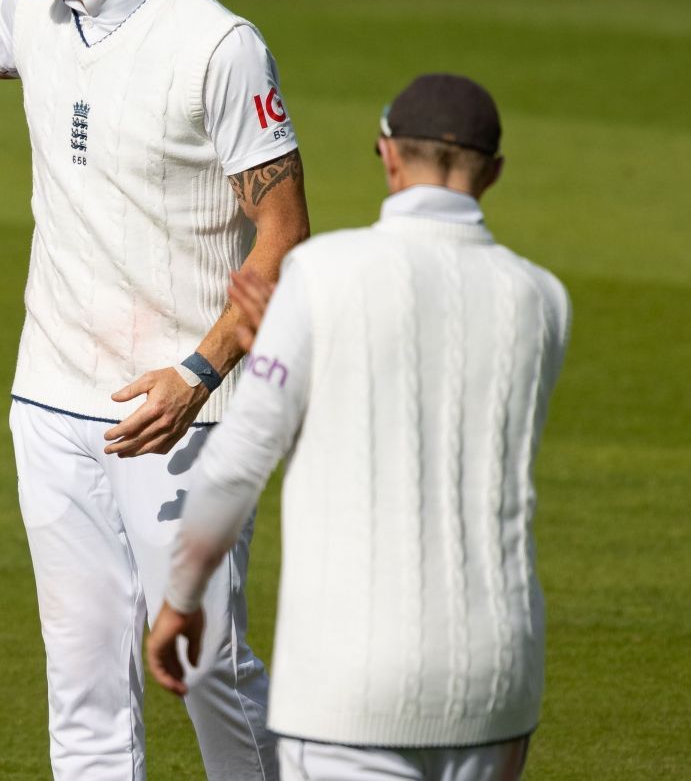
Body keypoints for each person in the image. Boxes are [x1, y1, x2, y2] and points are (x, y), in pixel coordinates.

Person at [0, 0, 310, 779]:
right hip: (49, 399)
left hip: (181, 411)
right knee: (81, 685)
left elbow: (285, 238)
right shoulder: (34, 11)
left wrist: (199, 376)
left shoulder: (218, 46)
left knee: (203, 666)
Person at [147, 74, 569, 781]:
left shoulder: (319, 276)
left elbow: (237, 463)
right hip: (499, 684)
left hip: (350, 688)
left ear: (389, 157)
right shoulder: (544, 300)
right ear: (493, 172)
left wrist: (182, 600)